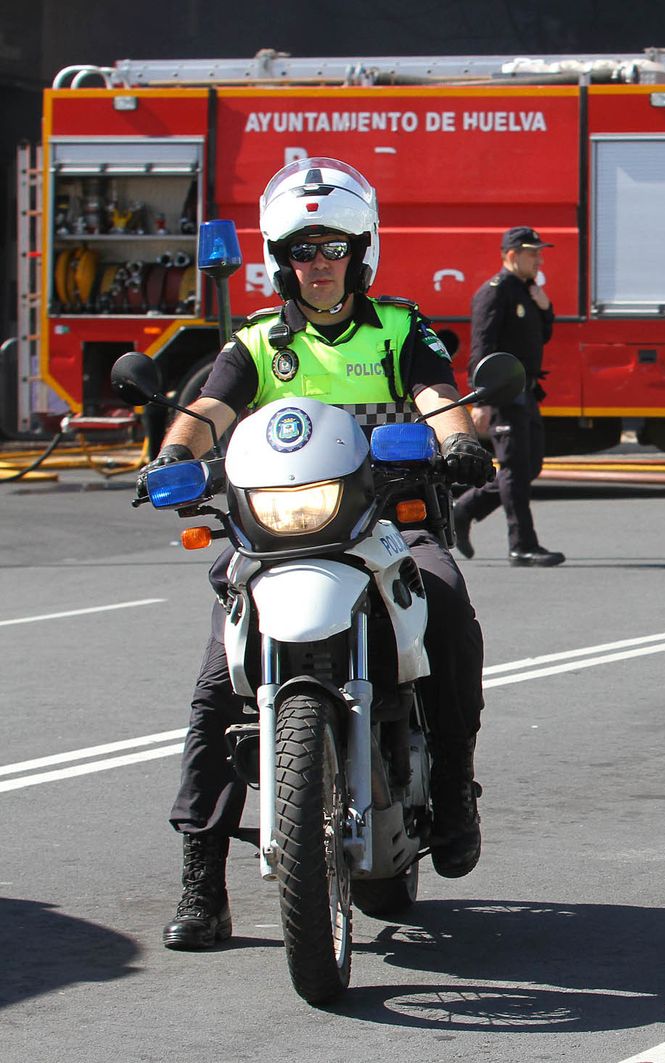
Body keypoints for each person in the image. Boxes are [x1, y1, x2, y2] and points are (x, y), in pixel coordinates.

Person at [143, 157, 497, 950]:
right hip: (278, 533)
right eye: (303, 249)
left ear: (360, 251)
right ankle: (203, 877)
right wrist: (171, 452)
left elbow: (439, 395)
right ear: (282, 259)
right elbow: (207, 407)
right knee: (212, 687)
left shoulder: (401, 329)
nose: (319, 262)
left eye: (334, 246)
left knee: (446, 603)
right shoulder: (259, 341)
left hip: (387, 521)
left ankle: (453, 787)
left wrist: (460, 442)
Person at [451, 227, 564, 567]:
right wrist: (482, 399)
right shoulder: (495, 292)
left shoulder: (527, 292)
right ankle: (523, 545)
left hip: (525, 391)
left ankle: (465, 507)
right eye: (533, 253)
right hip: (502, 395)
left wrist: (545, 309)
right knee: (514, 468)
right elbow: (482, 347)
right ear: (513, 255)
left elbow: (540, 336)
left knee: (530, 465)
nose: (539, 259)